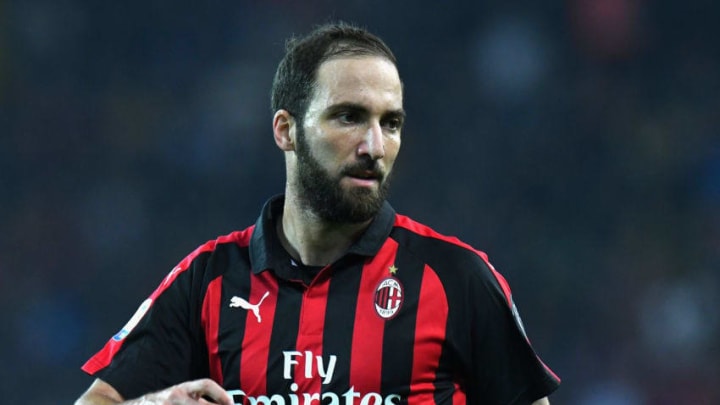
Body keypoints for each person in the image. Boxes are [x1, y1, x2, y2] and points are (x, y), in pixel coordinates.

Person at [75, 22, 560, 405]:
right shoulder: (209, 279)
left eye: (390, 123)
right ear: (286, 131)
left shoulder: (458, 279)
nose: (375, 146)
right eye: (349, 116)